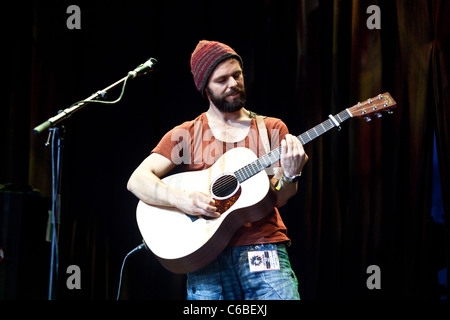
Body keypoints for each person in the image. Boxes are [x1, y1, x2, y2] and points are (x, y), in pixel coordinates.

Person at [127, 40, 308, 300]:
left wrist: (291, 175)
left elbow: (280, 196)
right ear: (205, 89)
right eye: (222, 80)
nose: (233, 84)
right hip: (205, 255)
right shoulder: (187, 134)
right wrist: (181, 199)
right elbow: (137, 181)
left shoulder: (271, 129)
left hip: (263, 247)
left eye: (237, 75)